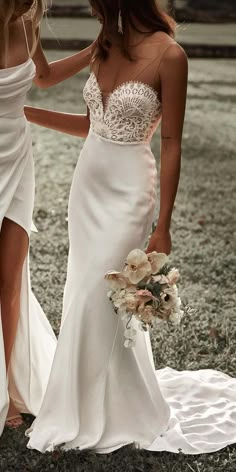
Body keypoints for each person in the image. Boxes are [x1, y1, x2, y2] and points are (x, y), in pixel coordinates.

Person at [25, 0, 236, 455]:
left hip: (130, 190)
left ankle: (112, 412)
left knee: (101, 295)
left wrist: (164, 224)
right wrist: (26, 115)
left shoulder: (170, 56)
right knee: (82, 291)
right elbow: (90, 124)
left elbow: (173, 143)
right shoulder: (106, 45)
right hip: (87, 187)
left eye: (100, 4)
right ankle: (79, 404)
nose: (97, 12)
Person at [0, 0, 93, 433]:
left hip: (17, 158)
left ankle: (7, 392)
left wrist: (97, 49)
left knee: (11, 278)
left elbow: (45, 76)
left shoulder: (31, 18)